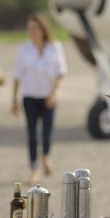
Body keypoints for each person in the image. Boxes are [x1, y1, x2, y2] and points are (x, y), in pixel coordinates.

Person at [11, 14, 67, 185]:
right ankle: (34, 168)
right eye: (29, 28)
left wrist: (54, 94)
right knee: (32, 134)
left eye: (35, 28)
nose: (32, 32)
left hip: (49, 97)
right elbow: (17, 76)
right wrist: (14, 99)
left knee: (47, 132)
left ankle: (46, 156)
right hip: (29, 97)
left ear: (43, 30)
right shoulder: (25, 50)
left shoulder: (55, 48)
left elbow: (60, 73)